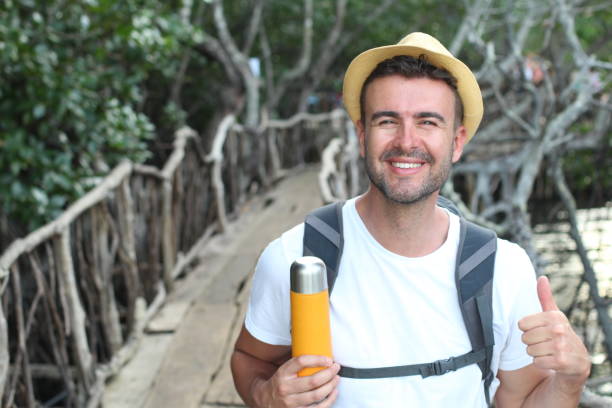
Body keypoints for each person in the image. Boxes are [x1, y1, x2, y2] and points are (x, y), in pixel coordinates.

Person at [230, 32, 591, 407]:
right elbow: (249, 359)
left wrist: (571, 380)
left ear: (457, 141)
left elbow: (519, 403)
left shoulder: (503, 268)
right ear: (361, 134)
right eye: (387, 120)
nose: (406, 141)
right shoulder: (297, 256)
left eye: (428, 122)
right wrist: (265, 395)